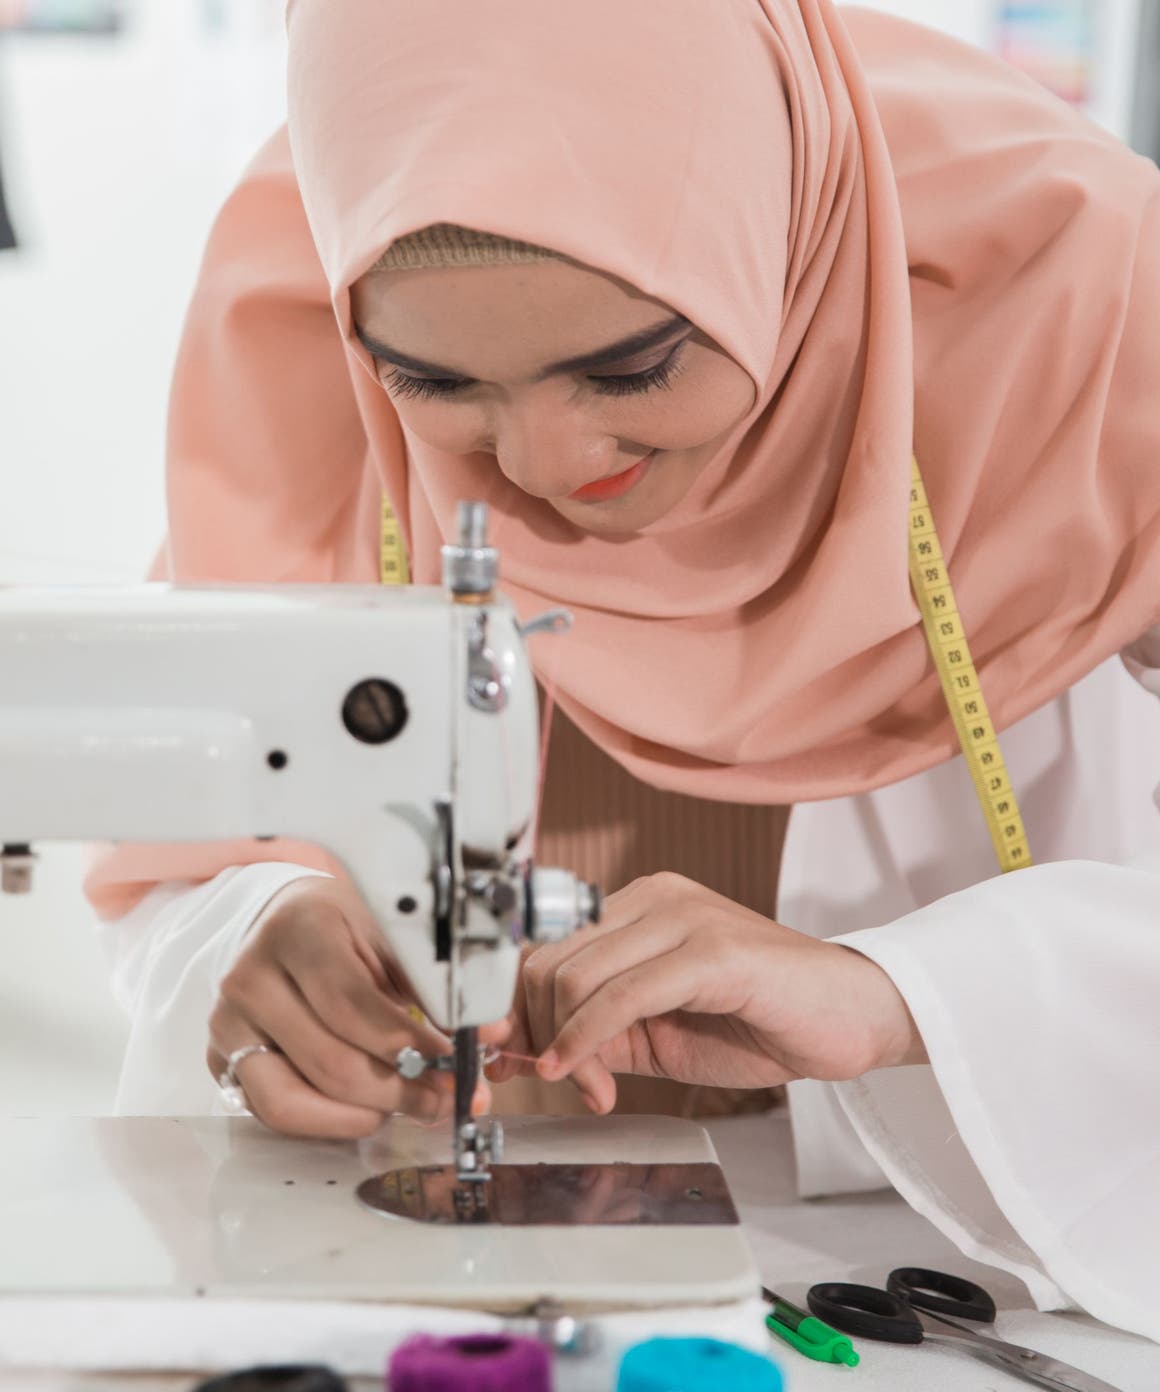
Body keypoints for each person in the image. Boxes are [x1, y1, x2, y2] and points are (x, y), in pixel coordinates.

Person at [85, 0, 1160, 1342]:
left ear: (774, 238)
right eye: (435, 382)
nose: (542, 464)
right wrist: (253, 929)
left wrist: (907, 997)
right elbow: (179, 852)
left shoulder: (1082, 312)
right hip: (459, 1258)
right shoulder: (298, 302)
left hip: (967, 1257)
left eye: (635, 366)